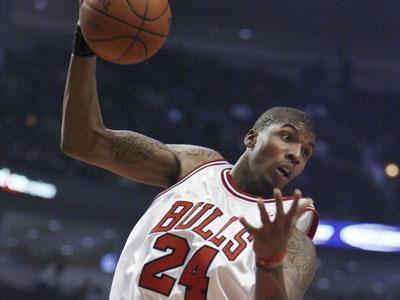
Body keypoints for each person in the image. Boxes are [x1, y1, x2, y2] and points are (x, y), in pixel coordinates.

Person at [61, 2, 319, 299]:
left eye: (306, 153)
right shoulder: (197, 166)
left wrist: (270, 263)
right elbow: (83, 141)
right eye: (287, 137)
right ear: (251, 137)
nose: (296, 155)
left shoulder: (291, 230)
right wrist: (85, 41)